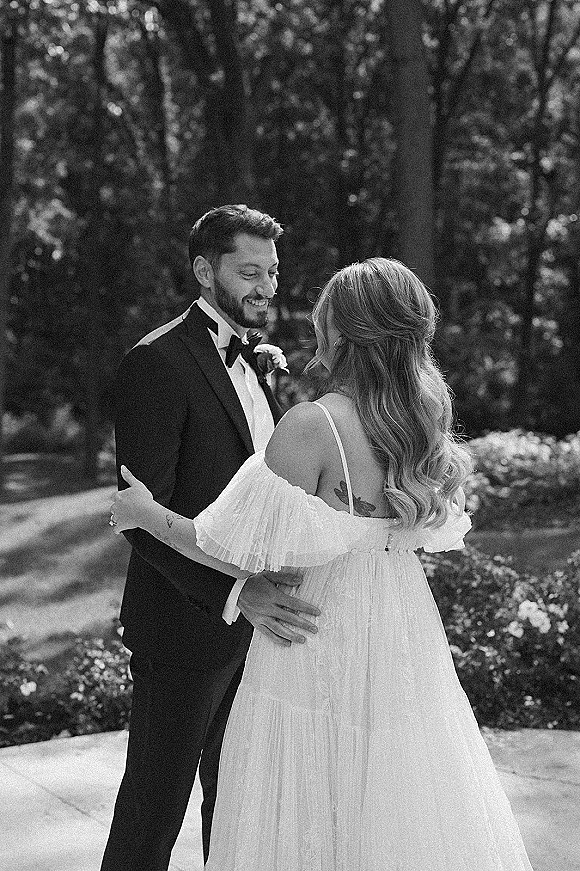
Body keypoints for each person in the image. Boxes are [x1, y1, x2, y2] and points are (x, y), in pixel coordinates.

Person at [110, 257, 534, 870]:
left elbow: (224, 543)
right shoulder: (422, 425)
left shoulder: (313, 427)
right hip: (399, 633)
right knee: (388, 798)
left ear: (343, 331)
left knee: (303, 800)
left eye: (324, 317)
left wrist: (146, 513)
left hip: (312, 633)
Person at [100, 204, 320, 871]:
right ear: (204, 270)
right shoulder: (157, 362)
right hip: (183, 630)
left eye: (274, 272)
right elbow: (142, 516)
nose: (267, 287)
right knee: (151, 814)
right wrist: (236, 592)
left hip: (256, 634)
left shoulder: (258, 358)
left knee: (236, 809)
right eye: (250, 271)